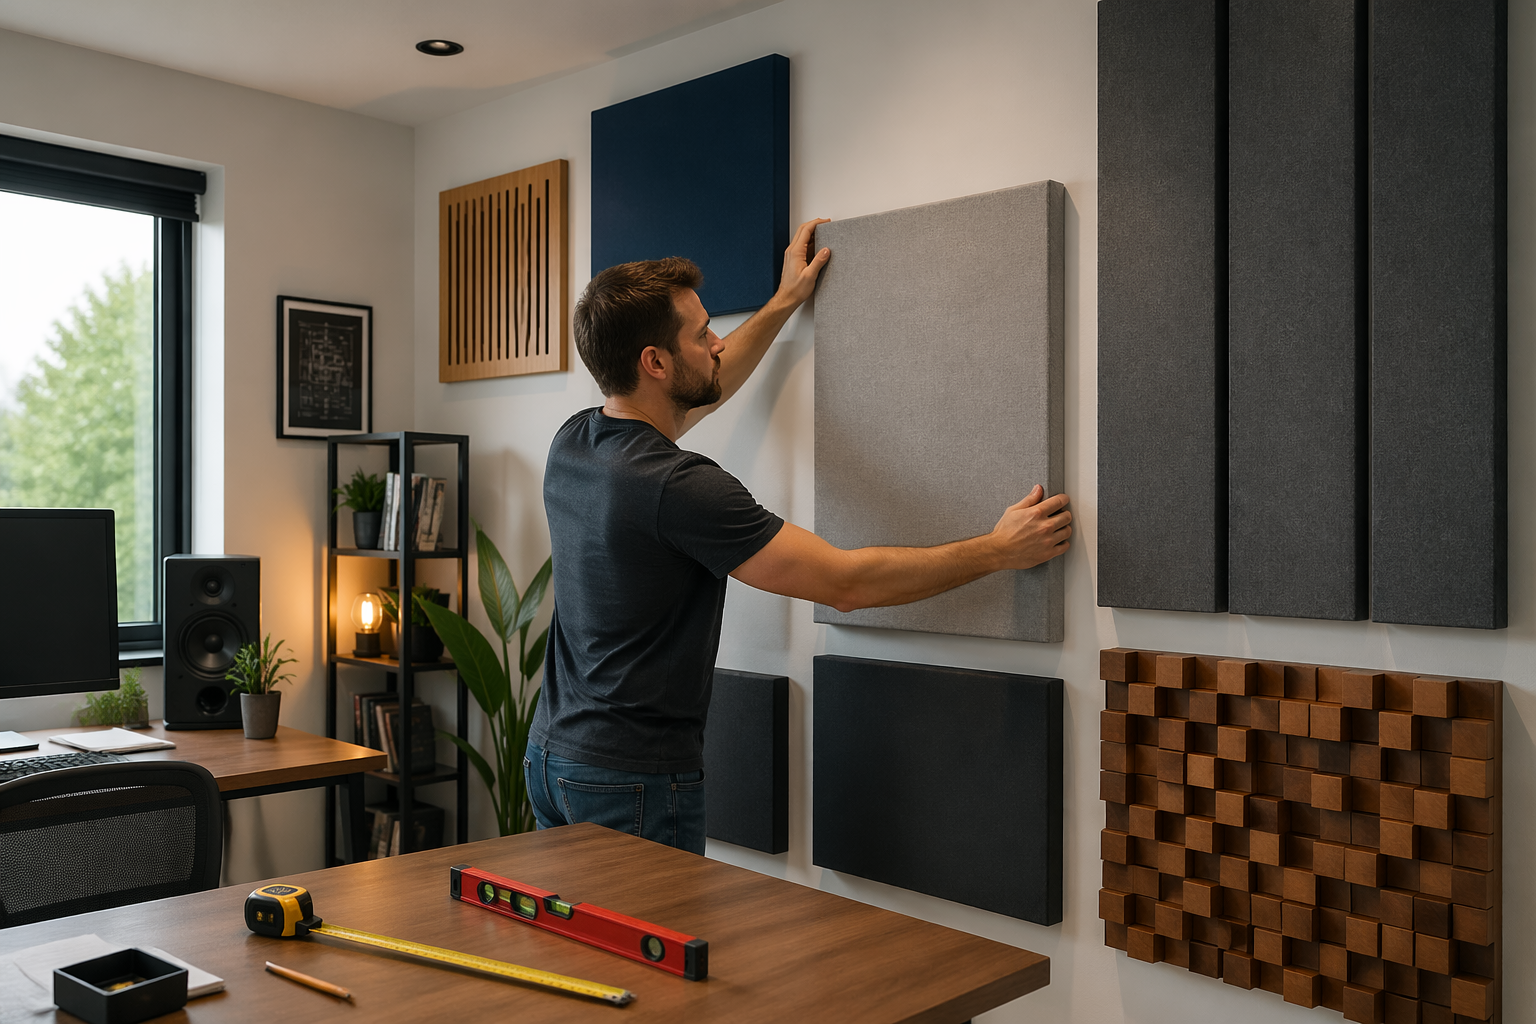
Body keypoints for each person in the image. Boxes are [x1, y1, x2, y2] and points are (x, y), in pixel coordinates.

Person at [524, 218, 1072, 853]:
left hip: (552, 759)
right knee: (647, 958)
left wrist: (785, 301)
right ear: (654, 362)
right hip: (628, 784)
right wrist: (996, 549)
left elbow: (707, 384)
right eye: (702, 336)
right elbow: (844, 583)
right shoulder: (678, 487)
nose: (718, 342)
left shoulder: (577, 440)